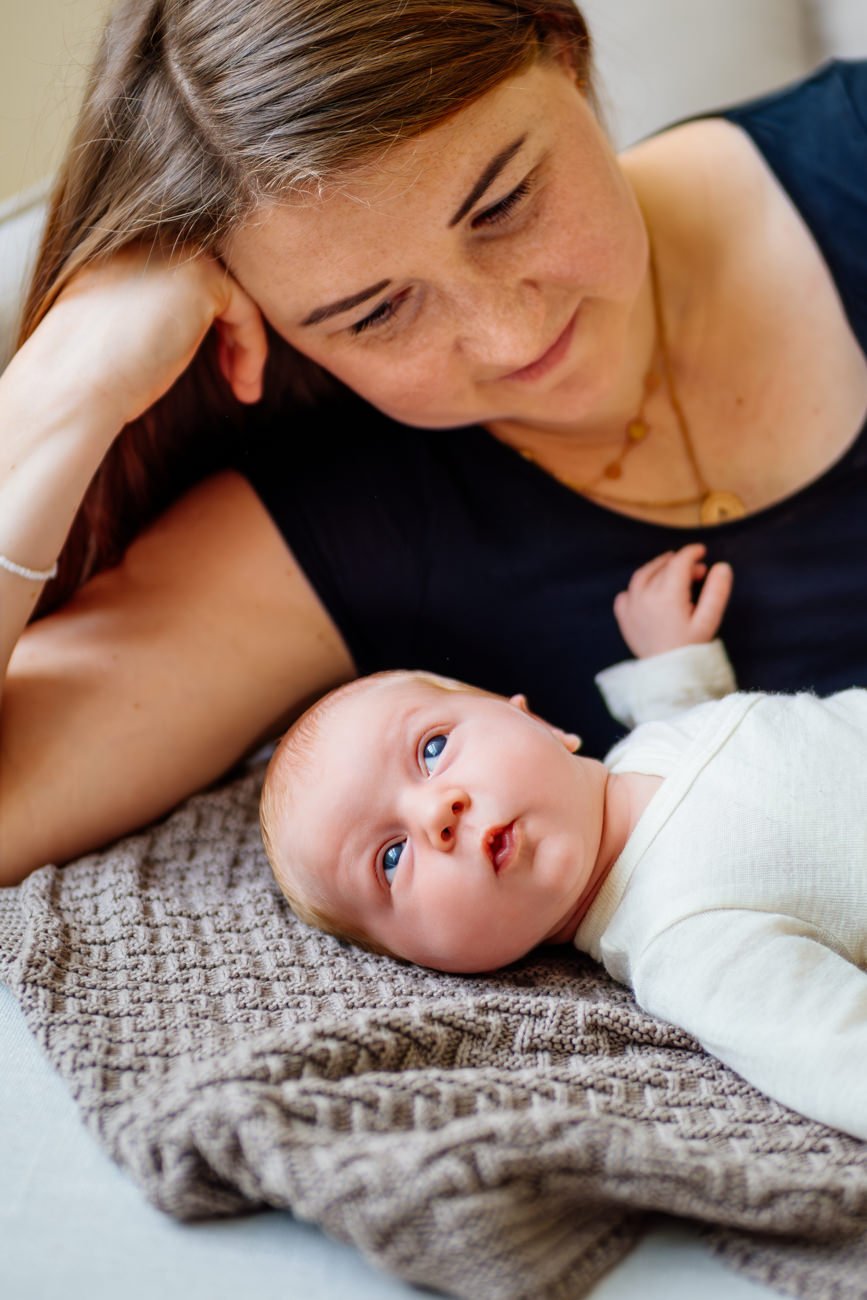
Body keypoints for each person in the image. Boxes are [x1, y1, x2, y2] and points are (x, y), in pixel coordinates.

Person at [1, 0, 866, 885]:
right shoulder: (339, 523)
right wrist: (61, 386)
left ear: (564, 52)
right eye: (374, 314)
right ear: (277, 330)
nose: (509, 336)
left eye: (502, 205)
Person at [257, 545, 866, 1144]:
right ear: (423, 960)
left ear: (537, 721)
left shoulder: (650, 746)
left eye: (432, 749)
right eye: (391, 859)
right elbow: (830, 1049)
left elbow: (696, 725)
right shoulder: (681, 941)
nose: (436, 813)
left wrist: (671, 656)